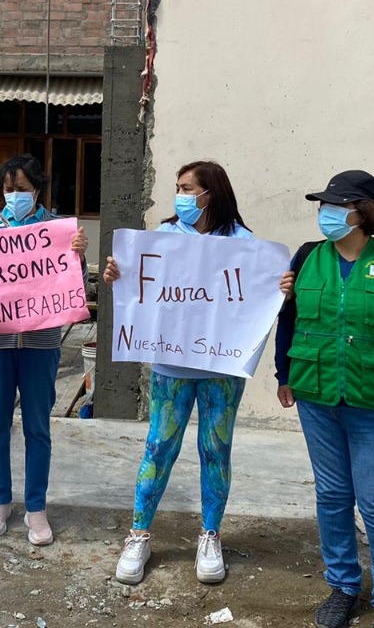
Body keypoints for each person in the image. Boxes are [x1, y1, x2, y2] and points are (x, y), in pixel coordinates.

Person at [274, 170, 374, 628]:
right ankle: (343, 586)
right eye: (322, 205)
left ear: (361, 213)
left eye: (335, 205)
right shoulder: (307, 258)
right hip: (316, 394)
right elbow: (287, 320)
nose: (324, 214)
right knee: (330, 495)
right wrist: (283, 374)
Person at [102, 160, 253, 586]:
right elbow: (141, 289)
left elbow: (255, 298)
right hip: (171, 365)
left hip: (221, 367)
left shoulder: (243, 243)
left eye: (188, 188)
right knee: (159, 446)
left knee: (215, 450)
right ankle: (138, 534)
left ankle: (210, 534)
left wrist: (276, 289)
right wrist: (119, 277)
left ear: (211, 193)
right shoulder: (164, 238)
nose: (181, 195)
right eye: (178, 188)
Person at [0, 154, 88, 547]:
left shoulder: (57, 230)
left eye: (22, 189)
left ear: (38, 190)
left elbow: (75, 283)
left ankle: (37, 507)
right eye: (9, 190)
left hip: (41, 344)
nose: (15, 196)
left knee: (37, 427)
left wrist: (78, 255)